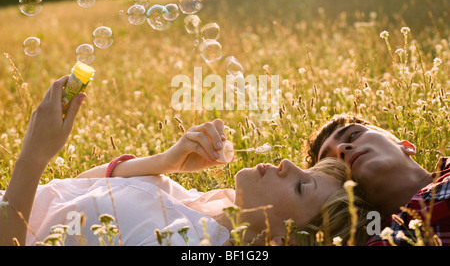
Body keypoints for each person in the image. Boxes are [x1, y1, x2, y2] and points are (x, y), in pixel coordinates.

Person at [0, 77, 369, 246]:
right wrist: (166, 162)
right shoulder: (219, 205)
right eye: (306, 169)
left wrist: (32, 157)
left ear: (282, 241)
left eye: (302, 185)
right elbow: (77, 193)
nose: (289, 164)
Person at [305, 113, 450, 246]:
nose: (342, 148)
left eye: (353, 135)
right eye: (331, 162)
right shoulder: (383, 241)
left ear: (406, 146)